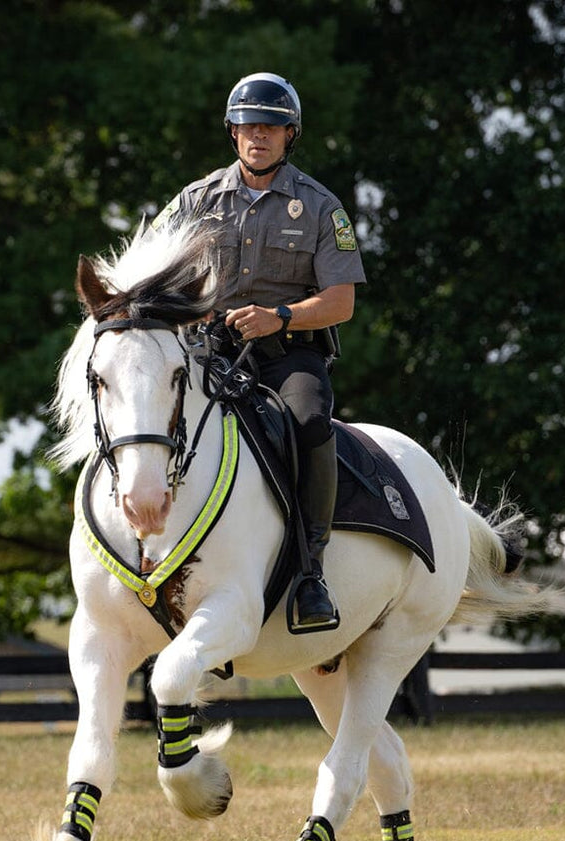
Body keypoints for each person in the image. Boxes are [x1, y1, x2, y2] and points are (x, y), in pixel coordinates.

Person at [154, 72, 365, 630]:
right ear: (233, 132)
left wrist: (281, 316)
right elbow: (157, 278)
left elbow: (341, 301)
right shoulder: (193, 202)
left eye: (271, 126)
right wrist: (192, 312)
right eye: (249, 125)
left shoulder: (322, 207)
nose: (259, 135)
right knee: (149, 417)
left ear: (290, 134)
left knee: (311, 421)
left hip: (288, 352)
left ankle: (311, 571)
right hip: (209, 351)